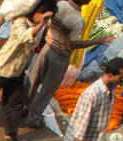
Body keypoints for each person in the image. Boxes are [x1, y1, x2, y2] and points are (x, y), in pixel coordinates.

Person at [24, 0, 103, 128]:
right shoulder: (78, 20)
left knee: (33, 79)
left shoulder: (60, 5)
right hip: (60, 56)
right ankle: (33, 117)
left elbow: (47, 23)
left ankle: (23, 106)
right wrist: (97, 41)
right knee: (48, 89)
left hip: (47, 47)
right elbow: (74, 44)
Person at [0, 1, 54, 141]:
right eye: (43, 16)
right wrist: (41, 25)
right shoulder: (20, 21)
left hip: (17, 72)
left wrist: (43, 25)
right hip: (2, 69)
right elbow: (23, 37)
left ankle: (11, 134)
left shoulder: (37, 26)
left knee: (14, 104)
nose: (43, 20)